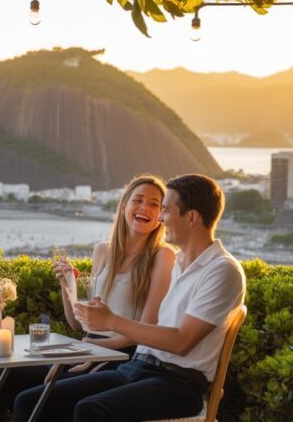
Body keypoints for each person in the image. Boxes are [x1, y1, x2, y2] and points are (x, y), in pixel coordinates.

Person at [13, 174, 246, 422]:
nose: (159, 218)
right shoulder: (179, 263)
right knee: (30, 402)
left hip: (178, 383)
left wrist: (111, 321)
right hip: (137, 367)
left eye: (165, 210)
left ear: (191, 217)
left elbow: (181, 342)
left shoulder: (222, 270)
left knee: (90, 409)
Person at [0, 175, 175, 422]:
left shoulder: (162, 256)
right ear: (123, 206)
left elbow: (147, 328)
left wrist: (89, 350)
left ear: (161, 215)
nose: (145, 208)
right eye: (138, 200)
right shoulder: (103, 251)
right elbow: (78, 323)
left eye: (154, 204)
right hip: (87, 349)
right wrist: (67, 285)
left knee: (33, 398)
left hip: (119, 357)